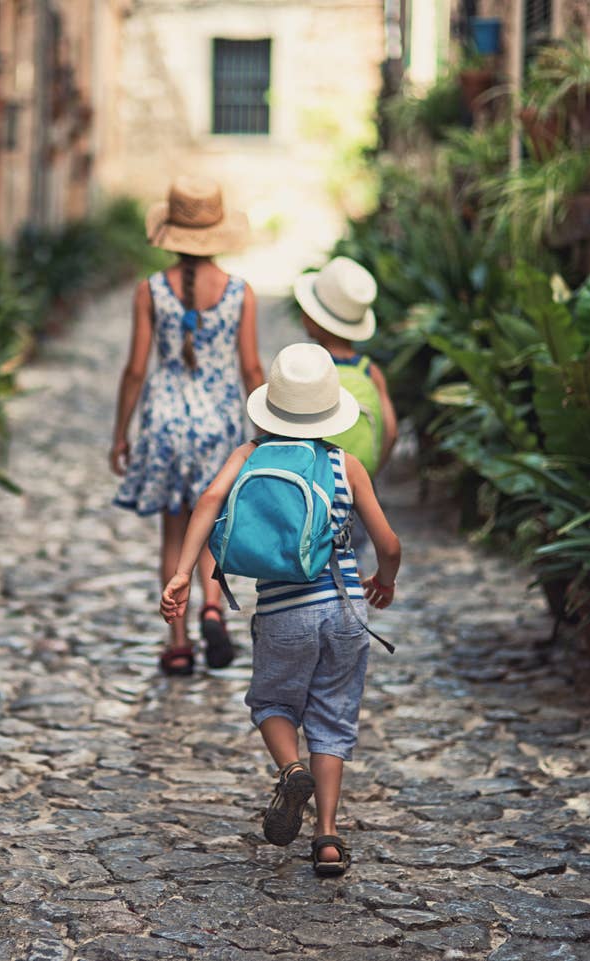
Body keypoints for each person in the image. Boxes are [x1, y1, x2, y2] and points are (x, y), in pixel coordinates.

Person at [159, 343, 401, 877]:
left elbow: (207, 502)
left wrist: (182, 572)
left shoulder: (249, 454)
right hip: (344, 612)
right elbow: (388, 542)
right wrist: (384, 579)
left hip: (283, 612)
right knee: (333, 718)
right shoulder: (346, 465)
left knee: (271, 702)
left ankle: (291, 770)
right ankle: (329, 839)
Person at [112, 176, 264, 676]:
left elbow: (136, 369)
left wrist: (121, 432)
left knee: (174, 536)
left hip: (163, 423)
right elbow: (251, 370)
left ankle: (177, 644)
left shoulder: (151, 290)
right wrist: (264, 437)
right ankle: (213, 609)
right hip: (219, 425)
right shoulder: (241, 294)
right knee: (213, 528)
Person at [294, 257, 398, 476]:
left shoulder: (307, 366)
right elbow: (391, 432)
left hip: (311, 482)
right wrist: (367, 472)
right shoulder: (370, 371)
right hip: (356, 481)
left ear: (315, 319)